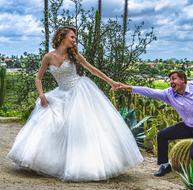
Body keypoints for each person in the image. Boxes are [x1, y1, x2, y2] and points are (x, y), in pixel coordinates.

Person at [7, 26, 143, 181]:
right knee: (50, 123)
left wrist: (111, 82)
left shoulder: (74, 55)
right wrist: (42, 95)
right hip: (61, 93)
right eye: (72, 37)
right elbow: (38, 78)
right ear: (62, 36)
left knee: (80, 129)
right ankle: (52, 162)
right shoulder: (48, 57)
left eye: (75, 38)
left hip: (79, 91)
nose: (74, 40)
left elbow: (92, 70)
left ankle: (84, 164)